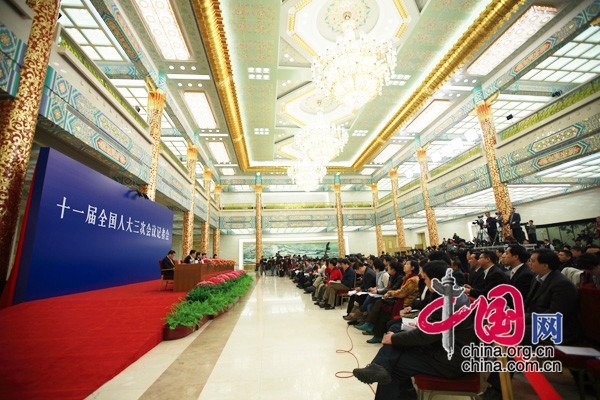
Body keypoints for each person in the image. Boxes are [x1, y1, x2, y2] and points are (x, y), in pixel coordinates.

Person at [352, 261, 478, 400]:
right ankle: (380, 367)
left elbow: (425, 335)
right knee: (395, 344)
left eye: (425, 278)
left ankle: (380, 367)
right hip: (442, 348)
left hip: (451, 362)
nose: (424, 281)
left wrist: (394, 338)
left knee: (393, 366)